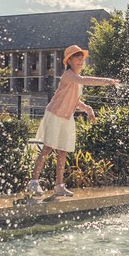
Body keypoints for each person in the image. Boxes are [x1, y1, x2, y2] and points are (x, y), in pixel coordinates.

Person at [27, 45, 118, 197]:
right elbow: (84, 80)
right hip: (55, 114)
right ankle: (34, 182)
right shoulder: (69, 75)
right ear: (69, 61)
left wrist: (87, 108)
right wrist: (106, 81)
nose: (80, 60)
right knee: (48, 148)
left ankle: (59, 186)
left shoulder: (76, 79)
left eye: (82, 58)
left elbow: (75, 101)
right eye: (77, 57)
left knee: (62, 151)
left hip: (67, 117)